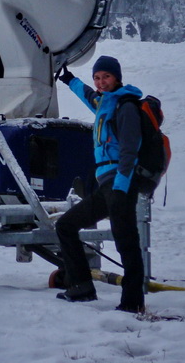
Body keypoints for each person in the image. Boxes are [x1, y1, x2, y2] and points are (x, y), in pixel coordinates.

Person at [54, 55, 145, 313]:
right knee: (66, 226)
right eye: (97, 77)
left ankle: (132, 303)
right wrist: (69, 79)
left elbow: (130, 149)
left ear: (117, 78)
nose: (101, 82)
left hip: (119, 183)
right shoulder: (105, 104)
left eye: (106, 76)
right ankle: (82, 287)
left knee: (126, 241)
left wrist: (121, 185)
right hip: (106, 185)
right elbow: (87, 95)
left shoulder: (125, 106)